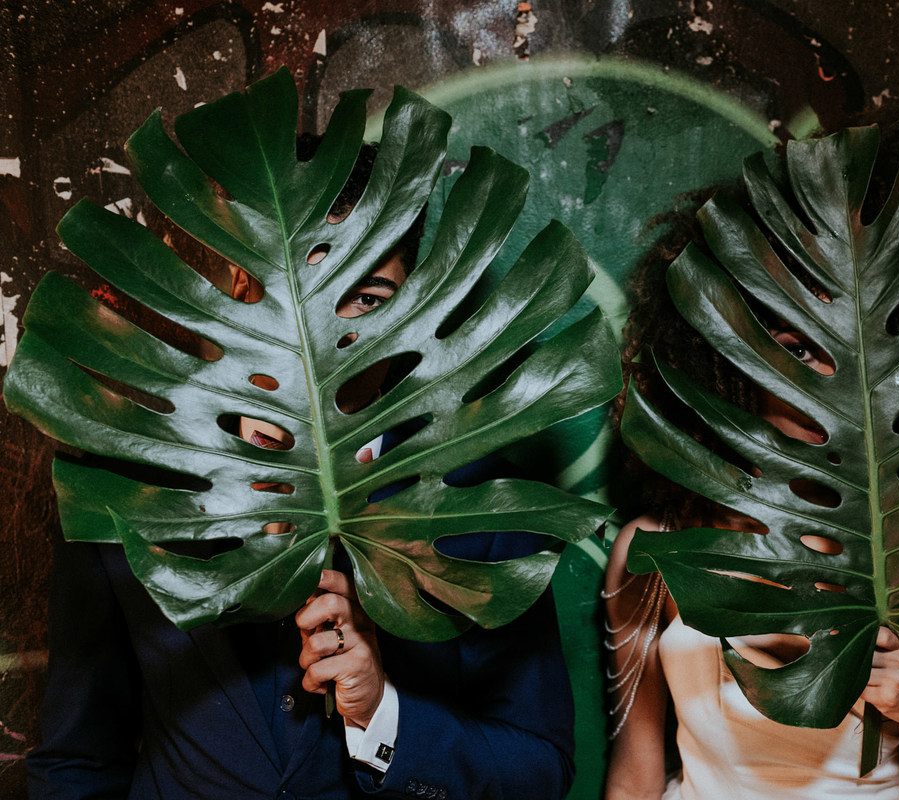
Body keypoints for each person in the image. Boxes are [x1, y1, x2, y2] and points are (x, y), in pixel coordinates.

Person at [25, 143, 576, 799]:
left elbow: (540, 769)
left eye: (367, 297)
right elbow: (77, 758)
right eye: (301, 289)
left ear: (409, 309)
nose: (326, 333)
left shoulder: (480, 505)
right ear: (240, 289)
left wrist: (382, 714)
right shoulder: (129, 481)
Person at [601, 230, 899, 800]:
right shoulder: (656, 552)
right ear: (728, 356)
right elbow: (634, 775)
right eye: (798, 349)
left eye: (841, 354)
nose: (825, 380)